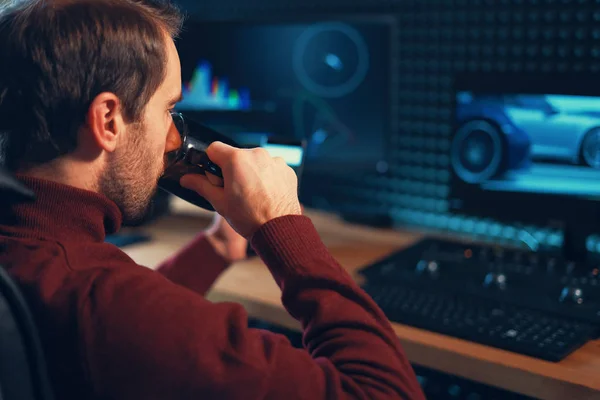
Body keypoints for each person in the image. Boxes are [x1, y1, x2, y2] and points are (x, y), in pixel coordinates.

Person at [0, 0, 425, 399]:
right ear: (108, 119)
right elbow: (387, 391)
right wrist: (282, 225)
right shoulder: (105, 304)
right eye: (168, 110)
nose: (174, 138)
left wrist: (217, 248)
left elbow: (128, 318)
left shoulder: (39, 257)